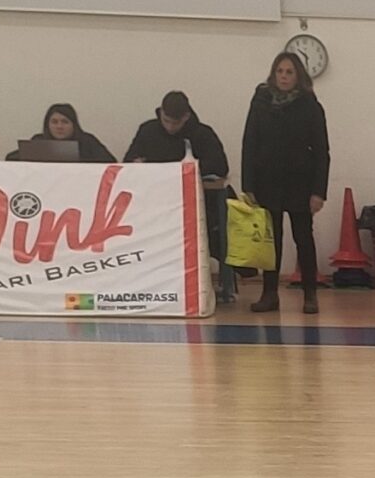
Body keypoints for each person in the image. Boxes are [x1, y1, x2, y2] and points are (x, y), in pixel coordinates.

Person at [125, 89, 235, 304]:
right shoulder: (148, 130)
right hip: (154, 204)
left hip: (196, 205)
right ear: (160, 113)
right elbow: (129, 160)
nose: (170, 127)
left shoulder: (202, 134)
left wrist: (189, 169)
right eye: (166, 120)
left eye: (175, 123)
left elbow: (220, 166)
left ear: (186, 117)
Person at [241, 51, 329, 315]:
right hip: (267, 182)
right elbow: (249, 143)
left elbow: (322, 151)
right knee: (271, 242)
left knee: (303, 239)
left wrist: (318, 192)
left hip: (301, 182)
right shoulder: (260, 102)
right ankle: (269, 294)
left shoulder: (310, 105)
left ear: (298, 75)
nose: (284, 76)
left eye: (289, 72)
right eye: (280, 71)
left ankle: (310, 294)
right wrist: (248, 185)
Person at [26, 102, 114, 162]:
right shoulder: (38, 141)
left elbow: (111, 164)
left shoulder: (88, 142)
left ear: (74, 125)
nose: (59, 126)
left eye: (65, 122)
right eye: (54, 122)